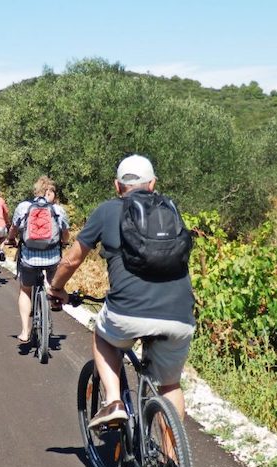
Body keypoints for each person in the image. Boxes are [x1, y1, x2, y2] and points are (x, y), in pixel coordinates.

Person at [49, 155, 195, 428]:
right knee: (170, 386)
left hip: (127, 311)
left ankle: (114, 401)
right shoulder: (170, 211)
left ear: (117, 186)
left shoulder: (107, 211)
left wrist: (56, 288)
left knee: (102, 335)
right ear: (152, 184)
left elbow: (72, 260)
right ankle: (173, 455)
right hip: (180, 314)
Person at [7, 176, 70, 342]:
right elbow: (65, 232)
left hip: (29, 258)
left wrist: (11, 239)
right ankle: (55, 301)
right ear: (49, 192)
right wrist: (65, 242)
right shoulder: (58, 210)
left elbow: (14, 228)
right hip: (52, 258)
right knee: (55, 283)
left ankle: (24, 331)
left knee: (25, 290)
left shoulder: (24, 207)